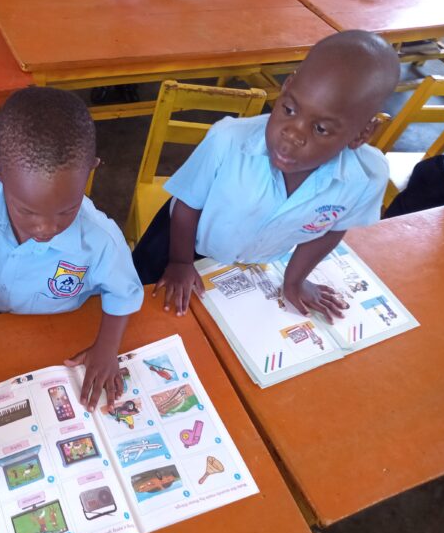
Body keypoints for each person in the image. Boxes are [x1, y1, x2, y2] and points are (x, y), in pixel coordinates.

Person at [133, 30, 400, 322]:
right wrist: (180, 262)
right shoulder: (229, 140)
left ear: (362, 134)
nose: (292, 134)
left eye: (321, 129)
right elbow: (186, 206)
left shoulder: (367, 178)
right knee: (144, 306)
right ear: (287, 86)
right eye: (289, 109)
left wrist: (294, 280)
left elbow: (333, 230)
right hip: (182, 244)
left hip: (256, 263)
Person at [0, 87, 144, 411]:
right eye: (27, 211)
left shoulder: (100, 239)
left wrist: (106, 347)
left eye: (66, 210)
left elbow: (124, 292)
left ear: (91, 169)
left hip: (51, 329)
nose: (46, 228)